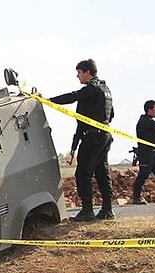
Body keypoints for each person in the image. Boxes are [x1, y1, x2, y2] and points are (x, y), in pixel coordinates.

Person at [50, 59, 115, 221]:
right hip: (104, 135)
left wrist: (48, 100)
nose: (77, 76)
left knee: (83, 173)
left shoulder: (92, 89)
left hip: (94, 136)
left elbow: (73, 97)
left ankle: (87, 210)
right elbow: (110, 115)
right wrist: (74, 147)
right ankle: (107, 209)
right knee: (101, 172)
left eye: (79, 72)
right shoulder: (105, 90)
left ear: (87, 72)